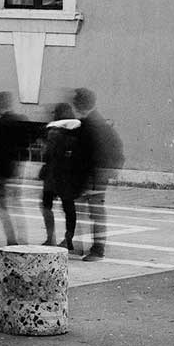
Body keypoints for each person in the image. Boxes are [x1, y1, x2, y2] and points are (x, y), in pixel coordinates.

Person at [71, 87, 124, 261]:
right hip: (96, 174)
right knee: (89, 210)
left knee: (95, 212)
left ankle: (96, 249)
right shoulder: (95, 120)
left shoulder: (91, 123)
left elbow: (87, 153)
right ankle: (79, 245)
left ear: (80, 104)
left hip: (93, 175)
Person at [39, 102, 85, 253]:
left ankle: (50, 237)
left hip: (53, 176)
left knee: (46, 205)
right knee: (68, 208)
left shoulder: (53, 133)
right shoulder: (75, 133)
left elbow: (48, 154)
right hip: (67, 176)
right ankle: (68, 238)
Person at [0, 92, 27, 248]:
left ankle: (12, 242)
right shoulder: (20, 121)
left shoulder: (1, 124)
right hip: (15, 170)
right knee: (16, 205)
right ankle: (23, 241)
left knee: (3, 208)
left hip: (1, 172)